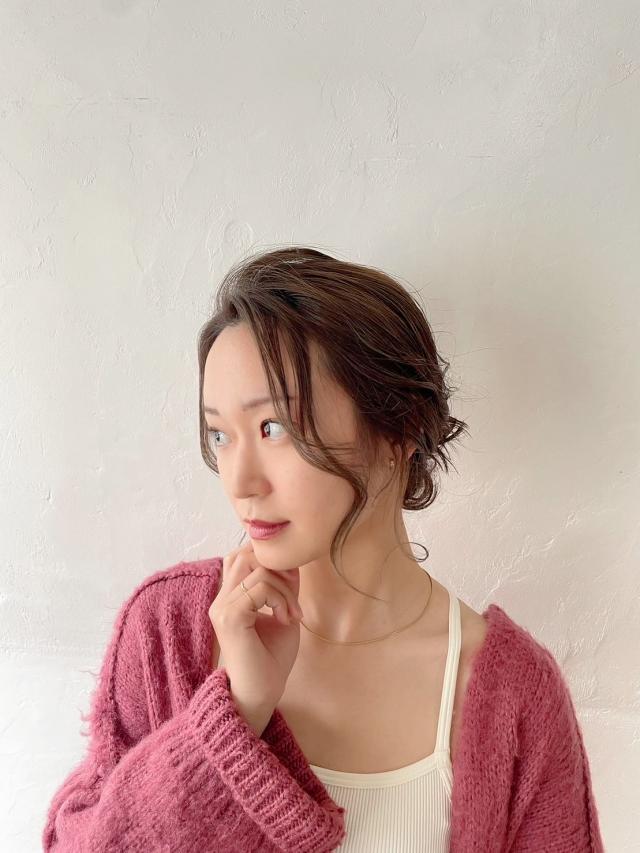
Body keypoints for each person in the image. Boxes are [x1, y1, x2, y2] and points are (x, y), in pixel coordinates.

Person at [43, 247, 605, 851]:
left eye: (273, 428)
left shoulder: (512, 694)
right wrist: (235, 714)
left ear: (400, 429)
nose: (240, 481)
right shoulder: (169, 632)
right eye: (220, 435)